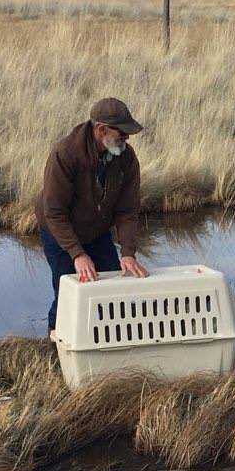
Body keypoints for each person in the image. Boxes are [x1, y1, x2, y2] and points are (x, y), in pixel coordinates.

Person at [35, 98, 149, 331]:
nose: (126, 138)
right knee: (68, 291)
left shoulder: (126, 157)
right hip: (59, 231)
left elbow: (127, 211)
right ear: (101, 130)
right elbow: (54, 212)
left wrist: (128, 252)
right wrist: (77, 254)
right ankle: (56, 343)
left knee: (110, 287)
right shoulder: (65, 154)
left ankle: (103, 339)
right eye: (122, 132)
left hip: (97, 231)